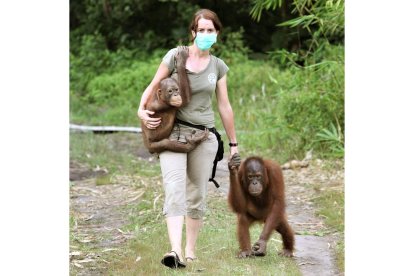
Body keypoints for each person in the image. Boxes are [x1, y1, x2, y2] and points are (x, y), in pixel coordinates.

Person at [137, 9, 239, 269]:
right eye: (201, 30)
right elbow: (153, 85)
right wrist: (140, 109)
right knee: (174, 189)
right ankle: (175, 251)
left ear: (217, 33)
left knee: (197, 194)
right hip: (173, 132)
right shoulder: (175, 56)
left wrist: (233, 144)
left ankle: (191, 250)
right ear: (193, 32)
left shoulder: (218, 67)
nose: (205, 34)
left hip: (203, 136)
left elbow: (225, 107)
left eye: (210, 30)